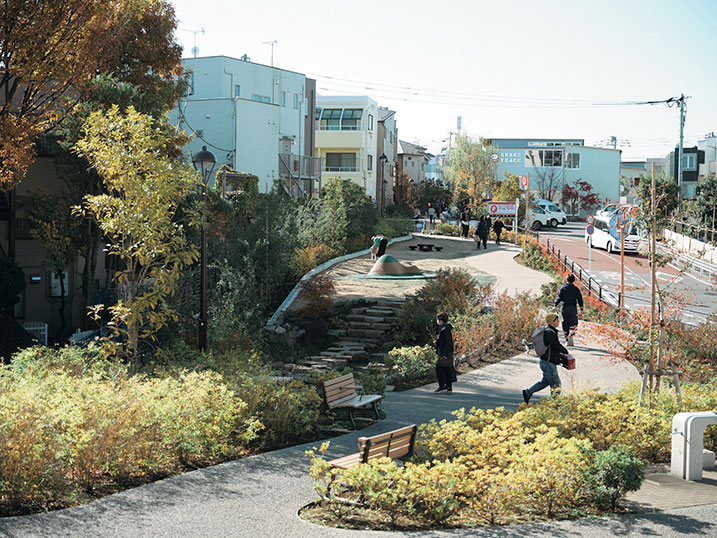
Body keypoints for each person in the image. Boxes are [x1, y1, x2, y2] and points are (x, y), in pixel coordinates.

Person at [522, 313, 569, 403]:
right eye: (557, 320)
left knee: (545, 382)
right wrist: (565, 351)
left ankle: (528, 392)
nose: (558, 321)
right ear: (552, 322)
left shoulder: (549, 331)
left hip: (546, 362)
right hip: (548, 363)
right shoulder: (550, 332)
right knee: (556, 384)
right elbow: (555, 345)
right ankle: (555, 403)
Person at [554, 274, 584, 346]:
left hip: (564, 307)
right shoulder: (576, 289)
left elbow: (559, 297)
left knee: (565, 323)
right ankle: (571, 334)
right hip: (573, 308)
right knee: (573, 323)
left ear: (566, 280)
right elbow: (580, 299)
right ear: (573, 280)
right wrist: (581, 308)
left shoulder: (563, 288)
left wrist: (555, 305)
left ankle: (567, 339)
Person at [434, 312, 455, 392]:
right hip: (444, 352)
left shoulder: (445, 329)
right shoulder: (444, 328)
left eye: (438, 319)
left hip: (445, 353)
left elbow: (448, 342)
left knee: (439, 368)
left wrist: (445, 354)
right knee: (446, 369)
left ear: (441, 320)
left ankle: (442, 385)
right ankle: (448, 386)